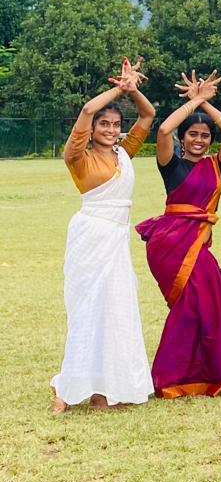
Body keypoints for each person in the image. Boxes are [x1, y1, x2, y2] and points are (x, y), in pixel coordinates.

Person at [52, 58, 156, 413]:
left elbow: (147, 116)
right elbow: (85, 108)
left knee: (116, 309)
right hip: (89, 237)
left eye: (115, 124)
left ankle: (104, 393)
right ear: (92, 128)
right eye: (104, 124)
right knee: (87, 310)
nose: (111, 129)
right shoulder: (77, 156)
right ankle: (66, 391)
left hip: (117, 239)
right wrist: (119, 88)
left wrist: (134, 90)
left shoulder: (123, 153)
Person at [137, 69, 221, 398]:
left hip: (198, 246)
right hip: (170, 244)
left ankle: (201, 374)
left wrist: (207, 105)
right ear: (184, 138)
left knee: (211, 304)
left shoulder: (216, 164)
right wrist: (194, 100)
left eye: (204, 135)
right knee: (190, 305)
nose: (198, 140)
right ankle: (169, 377)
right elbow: (164, 128)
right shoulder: (171, 164)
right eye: (192, 134)